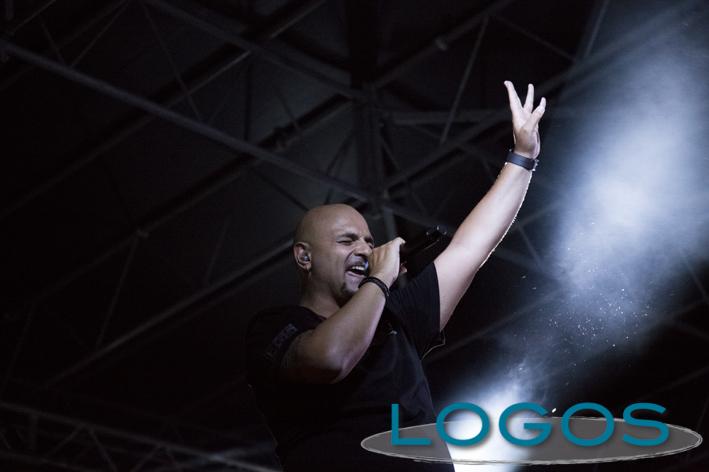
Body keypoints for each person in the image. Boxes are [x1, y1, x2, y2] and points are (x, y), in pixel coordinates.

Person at [245, 81, 546, 471]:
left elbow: (469, 248)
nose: (364, 249)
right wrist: (379, 280)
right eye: (346, 241)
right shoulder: (276, 328)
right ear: (305, 257)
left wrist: (523, 157)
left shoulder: (395, 321)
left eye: (369, 241)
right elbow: (330, 360)